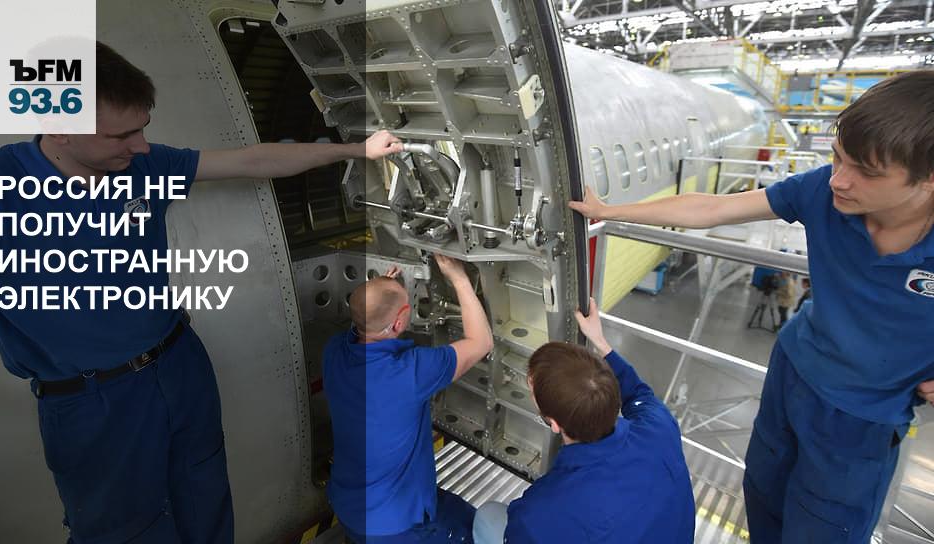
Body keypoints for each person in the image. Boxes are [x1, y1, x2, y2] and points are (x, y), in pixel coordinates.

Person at [0, 42, 403, 542]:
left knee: (205, 498)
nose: (141, 146)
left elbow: (253, 160)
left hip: (178, 364)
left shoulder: (142, 167)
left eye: (143, 127)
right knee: (123, 531)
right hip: (94, 400)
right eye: (122, 134)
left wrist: (356, 150)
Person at [569, 70, 934, 542]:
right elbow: (712, 208)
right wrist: (610, 211)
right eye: (837, 157)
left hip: (862, 414)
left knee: (825, 529)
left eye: (866, 171)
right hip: (794, 370)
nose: (839, 180)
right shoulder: (821, 191)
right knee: (762, 492)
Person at [472, 297, 694, 544]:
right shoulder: (659, 428)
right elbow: (640, 394)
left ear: (555, 424)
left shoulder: (540, 512)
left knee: (488, 516)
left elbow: (523, 528)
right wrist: (600, 341)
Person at [322, 255, 493, 543]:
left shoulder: (334, 351)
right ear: (399, 322)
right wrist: (459, 278)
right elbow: (482, 342)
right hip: (396, 527)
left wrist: (380, 296)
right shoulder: (409, 373)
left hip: (348, 504)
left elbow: (363, 322)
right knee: (475, 531)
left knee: (461, 512)